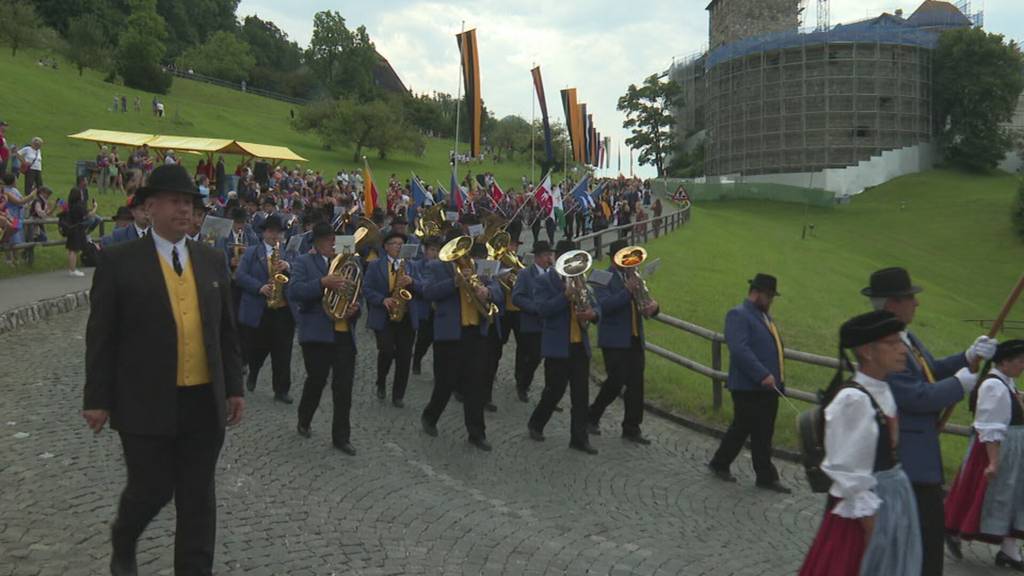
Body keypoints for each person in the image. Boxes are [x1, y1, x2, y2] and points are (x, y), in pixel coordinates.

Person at [82, 163, 244, 576]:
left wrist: (235, 387)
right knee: (151, 488)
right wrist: (97, 399)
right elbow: (101, 336)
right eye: (175, 201)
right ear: (148, 207)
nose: (185, 210)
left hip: (202, 401)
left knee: (198, 499)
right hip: (145, 400)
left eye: (190, 203)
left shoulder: (210, 260)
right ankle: (125, 535)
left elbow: (225, 331)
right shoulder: (118, 261)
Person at [862, 266, 993, 576]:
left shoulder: (905, 338)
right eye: (910, 298)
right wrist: (959, 386)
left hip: (921, 459)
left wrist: (967, 356)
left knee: (928, 546)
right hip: (909, 462)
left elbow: (930, 369)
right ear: (892, 303)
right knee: (921, 548)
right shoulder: (886, 343)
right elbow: (915, 396)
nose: (916, 303)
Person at [799, 310, 922, 575]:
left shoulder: (882, 389)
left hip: (890, 501)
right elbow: (850, 475)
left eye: (902, 341)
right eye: (894, 343)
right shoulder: (854, 401)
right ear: (867, 351)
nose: (903, 349)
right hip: (862, 516)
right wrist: (873, 531)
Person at [708, 273, 791, 493]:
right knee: (747, 428)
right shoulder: (739, 314)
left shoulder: (765, 317)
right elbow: (739, 349)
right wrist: (762, 374)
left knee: (759, 430)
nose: (772, 300)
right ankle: (730, 466)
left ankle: (752, 471)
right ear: (757, 293)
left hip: (767, 388)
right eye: (769, 295)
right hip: (749, 386)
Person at [945, 339, 1024, 570]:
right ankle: (955, 530)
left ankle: (1009, 550)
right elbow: (989, 426)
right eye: (1020, 361)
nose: (1023, 366)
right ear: (1005, 362)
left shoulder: (1006, 382)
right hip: (997, 450)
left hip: (1011, 451)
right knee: (990, 495)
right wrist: (993, 461)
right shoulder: (993, 386)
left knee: (1011, 497)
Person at [421, 234, 503, 451]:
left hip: (475, 332)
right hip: (449, 334)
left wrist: (487, 292)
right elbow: (428, 292)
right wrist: (454, 282)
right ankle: (430, 416)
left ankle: (476, 433)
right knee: (445, 383)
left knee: (475, 384)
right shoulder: (437, 267)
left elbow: (497, 290)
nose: (463, 255)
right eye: (459, 251)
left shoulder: (480, 267)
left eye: (465, 251)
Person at [288, 222, 361, 455]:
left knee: (344, 388)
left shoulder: (348, 261)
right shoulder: (303, 262)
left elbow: (358, 291)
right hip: (317, 334)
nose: (334, 244)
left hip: (343, 333)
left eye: (336, 240)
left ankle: (341, 437)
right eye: (330, 240)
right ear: (318, 242)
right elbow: (295, 291)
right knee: (316, 380)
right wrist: (322, 282)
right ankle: (304, 418)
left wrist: (354, 309)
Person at [527, 240, 601, 455]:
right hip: (557, 345)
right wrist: (564, 296)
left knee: (581, 395)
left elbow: (596, 306)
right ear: (557, 258)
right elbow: (541, 309)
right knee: (554, 391)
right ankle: (536, 423)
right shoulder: (544, 281)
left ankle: (579, 439)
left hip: (579, 345)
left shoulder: (581, 279)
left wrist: (593, 314)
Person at [587, 240, 660, 444]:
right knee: (616, 381)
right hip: (613, 339)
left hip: (635, 338)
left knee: (636, 384)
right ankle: (592, 414)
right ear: (612, 258)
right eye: (623, 257)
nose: (628, 262)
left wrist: (654, 307)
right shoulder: (600, 276)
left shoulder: (633, 276)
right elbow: (604, 306)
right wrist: (626, 291)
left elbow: (645, 301)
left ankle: (631, 427)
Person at [235, 214, 295, 403]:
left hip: (283, 309)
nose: (274, 235)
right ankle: (253, 372)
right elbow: (240, 275)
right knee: (258, 348)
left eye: (278, 232)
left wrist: (289, 267)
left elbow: (300, 278)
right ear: (264, 233)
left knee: (283, 351)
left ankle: (281, 389)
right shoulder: (252, 252)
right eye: (271, 231)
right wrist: (259, 287)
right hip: (260, 308)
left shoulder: (288, 254)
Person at [363, 230, 418, 407]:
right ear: (386, 247)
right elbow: (367, 289)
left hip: (406, 316)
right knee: (386, 351)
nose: (398, 247)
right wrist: (382, 300)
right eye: (394, 243)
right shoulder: (375, 265)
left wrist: (412, 282)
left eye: (401, 244)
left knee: (404, 356)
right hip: (384, 315)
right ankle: (381, 380)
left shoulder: (411, 266)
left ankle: (398, 394)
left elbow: (425, 286)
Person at [511, 241, 554, 402]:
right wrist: (534, 308)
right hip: (531, 322)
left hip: (551, 323)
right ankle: (523, 384)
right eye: (545, 255)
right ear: (536, 257)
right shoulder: (525, 274)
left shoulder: (554, 273)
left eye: (550, 255)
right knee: (534, 356)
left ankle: (550, 394)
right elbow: (517, 297)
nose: (548, 258)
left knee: (552, 361)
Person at [411, 236, 442, 375]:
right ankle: (417, 360)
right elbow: (416, 284)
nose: (435, 253)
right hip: (425, 308)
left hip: (439, 310)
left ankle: (438, 370)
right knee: (423, 339)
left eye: (437, 250)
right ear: (425, 250)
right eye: (432, 250)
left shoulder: (443, 266)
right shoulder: (416, 265)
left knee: (439, 342)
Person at [64, 187, 93, 277]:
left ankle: (71, 268)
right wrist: (95, 208)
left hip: (70, 228)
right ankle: (72, 270)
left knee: (71, 249)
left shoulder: (70, 205)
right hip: (77, 228)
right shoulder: (79, 206)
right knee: (74, 250)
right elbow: (87, 215)